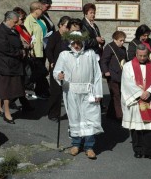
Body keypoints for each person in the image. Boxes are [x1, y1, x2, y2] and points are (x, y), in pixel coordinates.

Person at [53, 31, 103, 159]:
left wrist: (98, 92)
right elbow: (56, 70)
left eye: (79, 43)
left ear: (83, 43)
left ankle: (89, 146)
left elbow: (97, 75)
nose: (76, 46)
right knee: (74, 118)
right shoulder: (64, 55)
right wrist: (59, 75)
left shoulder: (90, 54)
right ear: (70, 43)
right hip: (72, 90)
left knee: (90, 118)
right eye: (74, 43)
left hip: (88, 91)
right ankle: (76, 144)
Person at [0, 11, 26, 124]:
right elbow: (4, 48)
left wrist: (23, 47)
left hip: (13, 64)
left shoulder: (12, 30)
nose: (16, 23)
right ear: (8, 19)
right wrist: (20, 52)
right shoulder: (0, 31)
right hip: (5, 65)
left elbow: (16, 44)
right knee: (7, 91)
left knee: (11, 90)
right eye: (15, 21)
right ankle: (7, 114)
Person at [46, 16, 70, 121]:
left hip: (67, 67)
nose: (67, 29)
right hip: (56, 66)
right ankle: (53, 114)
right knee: (56, 92)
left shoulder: (68, 37)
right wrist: (51, 61)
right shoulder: (54, 36)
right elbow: (48, 50)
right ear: (60, 25)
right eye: (66, 26)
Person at [24, 1, 50, 99]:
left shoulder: (41, 20)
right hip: (35, 50)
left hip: (43, 48)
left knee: (40, 71)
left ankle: (42, 91)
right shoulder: (29, 20)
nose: (42, 10)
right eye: (40, 8)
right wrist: (31, 51)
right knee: (41, 71)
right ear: (35, 10)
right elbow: (28, 37)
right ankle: (37, 88)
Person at [100, 31, 127, 121]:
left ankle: (111, 114)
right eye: (121, 40)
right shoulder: (109, 47)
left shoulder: (123, 49)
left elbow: (125, 61)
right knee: (116, 95)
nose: (122, 42)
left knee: (117, 94)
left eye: (123, 40)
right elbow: (104, 60)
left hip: (121, 75)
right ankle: (120, 116)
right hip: (112, 75)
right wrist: (106, 71)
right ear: (115, 40)